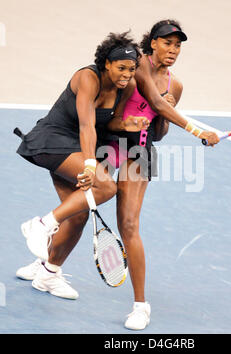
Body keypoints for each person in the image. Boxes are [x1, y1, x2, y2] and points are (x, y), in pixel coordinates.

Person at [16, 20, 219, 330]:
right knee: (80, 208)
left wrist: (160, 117)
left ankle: (141, 306)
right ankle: (48, 265)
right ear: (152, 43)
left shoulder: (174, 85)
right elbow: (113, 118)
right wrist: (195, 129)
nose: (173, 50)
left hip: (140, 152)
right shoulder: (134, 68)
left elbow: (159, 129)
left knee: (128, 225)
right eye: (167, 43)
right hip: (110, 144)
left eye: (178, 45)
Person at [15, 31, 148, 299]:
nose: (126, 74)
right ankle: (41, 225)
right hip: (52, 140)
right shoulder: (87, 77)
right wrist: (90, 166)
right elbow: (87, 124)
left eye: (132, 69)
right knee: (106, 187)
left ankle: (49, 275)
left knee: (78, 214)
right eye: (121, 67)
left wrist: (125, 124)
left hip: (77, 148)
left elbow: (108, 122)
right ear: (106, 63)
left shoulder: (127, 86)